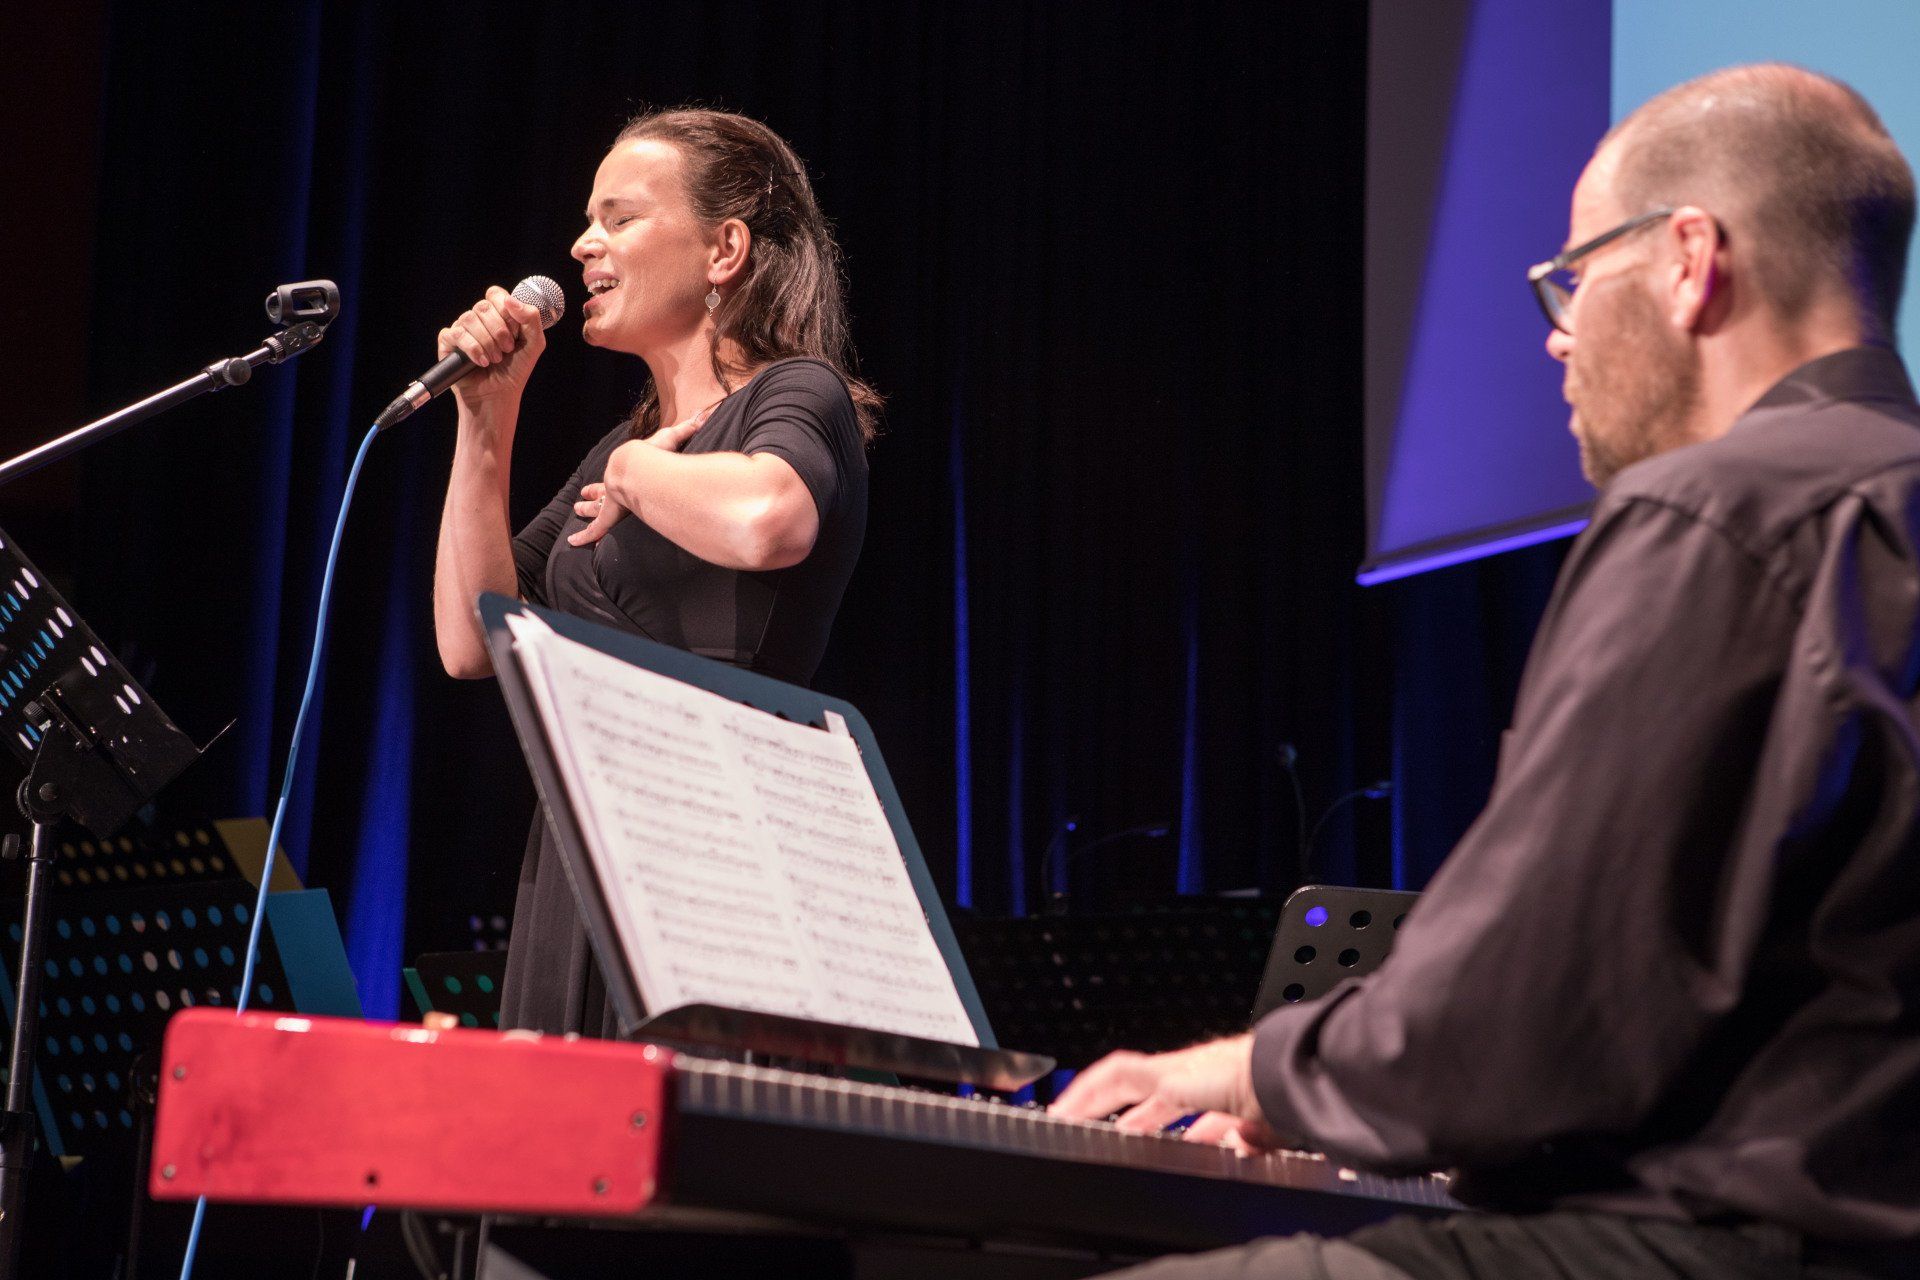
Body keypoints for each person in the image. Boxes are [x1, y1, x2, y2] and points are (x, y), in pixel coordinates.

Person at [1052, 64, 1920, 1280]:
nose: (1561, 332)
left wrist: (1244, 1069)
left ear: (1688, 259)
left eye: (1575, 276)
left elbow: (1518, 1026)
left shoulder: (1718, 509)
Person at [430, 108, 879, 1037]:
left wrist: (636, 475)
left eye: (620, 218)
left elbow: (769, 521)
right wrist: (486, 423)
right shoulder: (618, 447)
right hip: (580, 848)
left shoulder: (795, 394)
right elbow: (473, 641)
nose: (583, 243)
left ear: (725, 250)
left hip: (715, 847)